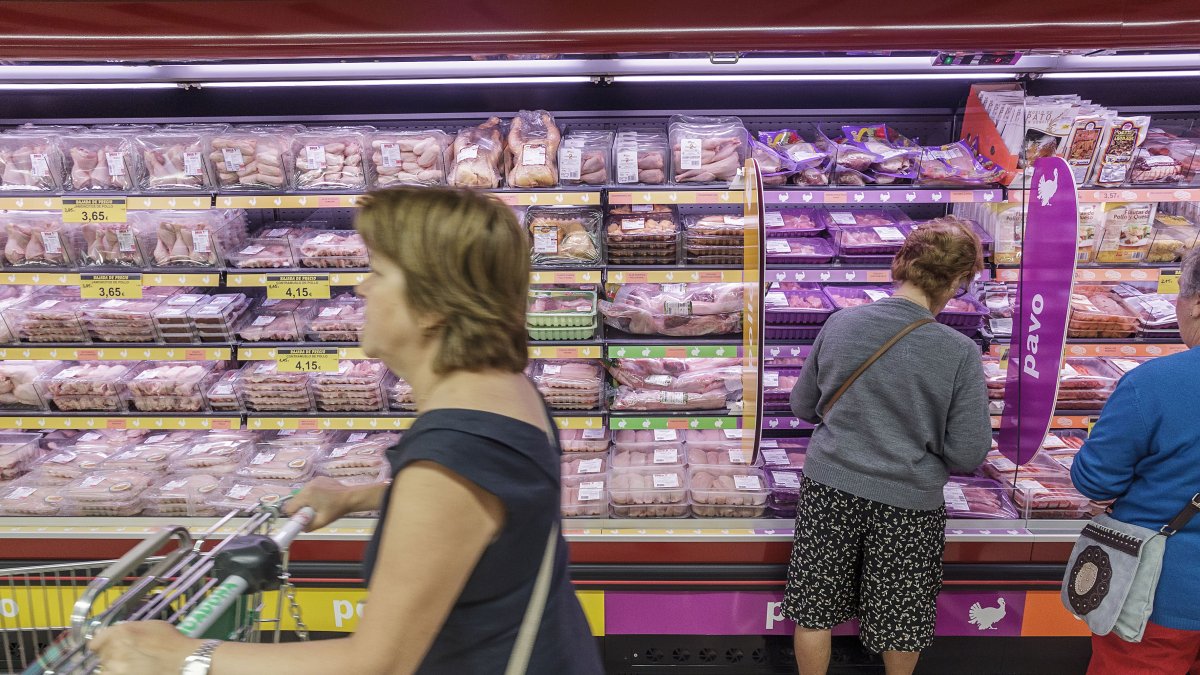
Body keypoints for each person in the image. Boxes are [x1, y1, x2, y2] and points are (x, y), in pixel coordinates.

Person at [92, 187, 604, 675]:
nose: (360, 287)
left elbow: (377, 664)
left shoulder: (449, 455)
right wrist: (361, 495)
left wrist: (185, 658)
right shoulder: (503, 388)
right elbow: (495, 499)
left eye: (377, 272)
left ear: (434, 305)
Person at [784, 216, 993, 675]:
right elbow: (968, 453)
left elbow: (802, 405)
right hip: (908, 501)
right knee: (901, 620)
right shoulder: (959, 352)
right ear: (959, 282)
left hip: (829, 487)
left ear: (902, 263)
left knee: (813, 607)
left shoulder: (841, 322)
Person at [1071, 247, 1200, 675]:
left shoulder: (1157, 382)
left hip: (1161, 597)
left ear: (1196, 304)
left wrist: (1104, 496)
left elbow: (1095, 478)